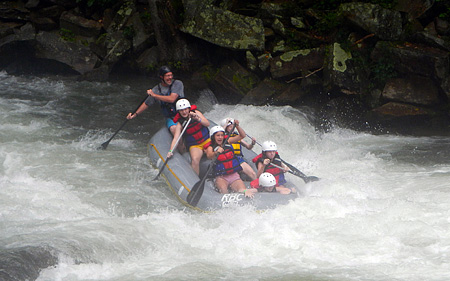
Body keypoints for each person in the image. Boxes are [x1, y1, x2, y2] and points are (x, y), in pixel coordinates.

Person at [126, 65, 184, 135]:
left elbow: (172, 99)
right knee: (174, 129)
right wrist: (134, 114)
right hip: (171, 118)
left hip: (184, 114)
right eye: (167, 76)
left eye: (171, 75)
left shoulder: (177, 84)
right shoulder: (156, 90)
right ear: (161, 77)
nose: (170, 77)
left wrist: (154, 95)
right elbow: (146, 104)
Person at [205, 123, 257, 198]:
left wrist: (237, 126)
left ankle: (247, 192)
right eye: (218, 135)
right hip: (221, 177)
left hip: (233, 175)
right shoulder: (210, 147)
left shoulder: (228, 141)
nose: (220, 137)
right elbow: (209, 155)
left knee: (243, 190)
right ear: (213, 137)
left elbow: (242, 136)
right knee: (223, 191)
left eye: (222, 135)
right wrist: (216, 152)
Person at [166, 98, 210, 175]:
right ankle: (195, 180)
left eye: (185, 109)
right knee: (195, 160)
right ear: (178, 112)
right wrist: (170, 151)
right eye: (181, 110)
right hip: (195, 145)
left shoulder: (196, 113)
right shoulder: (180, 123)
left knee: (211, 153)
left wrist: (197, 119)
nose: (184, 112)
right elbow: (176, 138)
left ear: (189, 108)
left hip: (206, 141)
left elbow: (207, 124)